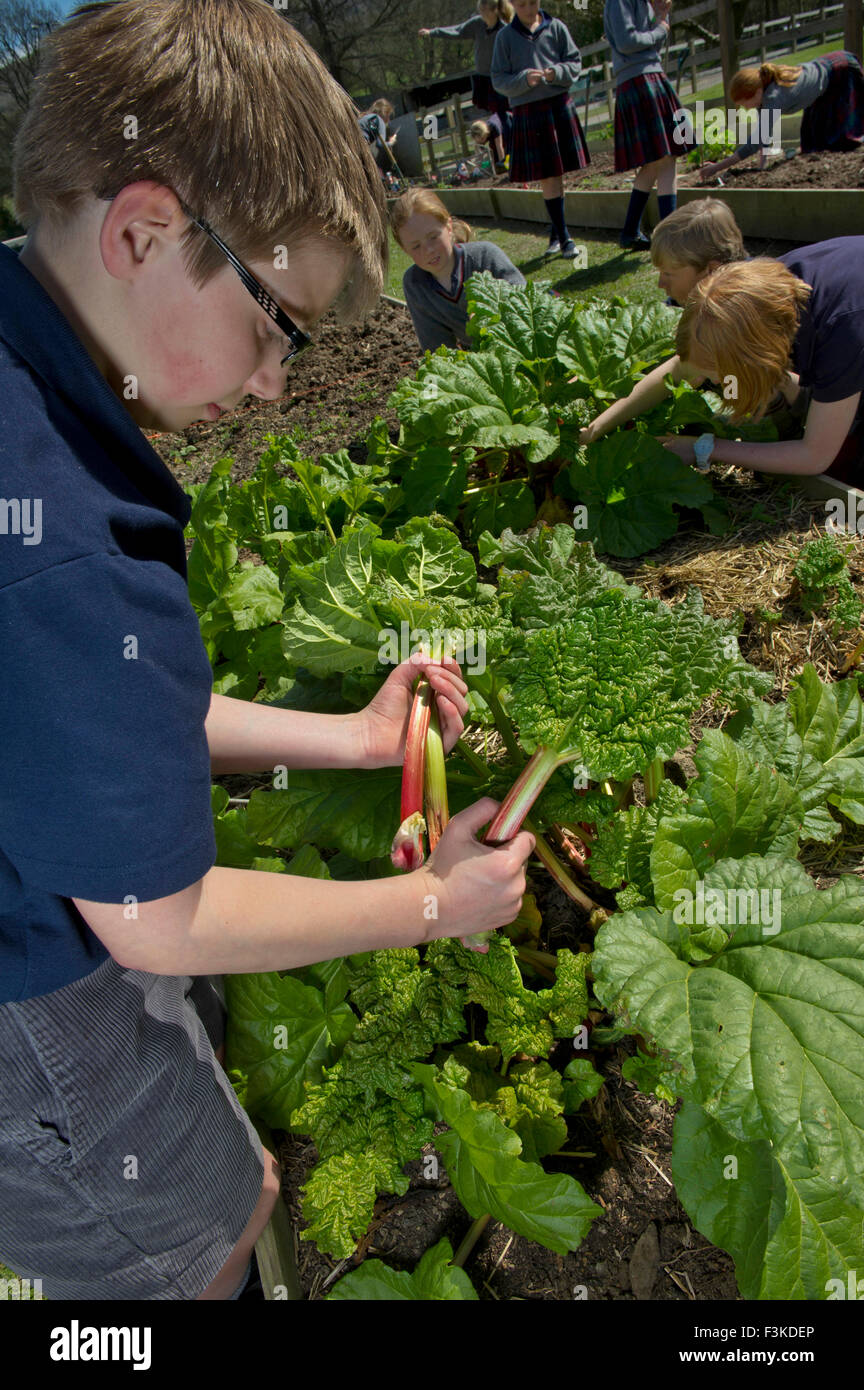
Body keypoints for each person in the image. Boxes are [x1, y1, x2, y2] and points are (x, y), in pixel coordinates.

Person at [0, 0, 535, 1303]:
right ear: (142, 232)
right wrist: (431, 905)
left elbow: (91, 714)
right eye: (279, 323)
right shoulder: (67, 527)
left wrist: (348, 739)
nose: (276, 384)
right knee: (211, 1235)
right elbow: (156, 920)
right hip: (34, 1021)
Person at [579, 238, 864, 481]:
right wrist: (597, 428)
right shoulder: (761, 291)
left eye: (718, 374)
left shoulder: (843, 333)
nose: (714, 382)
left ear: (753, 358)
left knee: (844, 465)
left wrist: (705, 447)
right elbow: (681, 368)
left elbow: (814, 456)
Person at [491, 0, 588, 260]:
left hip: (558, 105)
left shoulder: (556, 27)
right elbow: (499, 79)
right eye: (521, 4)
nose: (528, 9)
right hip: (529, 111)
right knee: (548, 175)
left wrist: (556, 73)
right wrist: (524, 80)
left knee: (556, 174)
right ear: (512, 4)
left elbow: (575, 62)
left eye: (532, 2)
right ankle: (565, 238)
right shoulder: (505, 37)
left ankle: (557, 234)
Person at [604, 0, 696, 250]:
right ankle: (670, 239)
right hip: (640, 80)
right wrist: (661, 29)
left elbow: (650, 42)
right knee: (665, 159)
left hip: (648, 76)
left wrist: (659, 17)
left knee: (658, 161)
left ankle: (631, 232)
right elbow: (627, 41)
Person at [393, 187, 525, 352]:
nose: (428, 250)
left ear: (448, 227)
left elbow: (524, 301)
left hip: (519, 343)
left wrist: (488, 313)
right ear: (405, 250)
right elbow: (437, 348)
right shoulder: (415, 285)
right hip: (481, 357)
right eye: (416, 246)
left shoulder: (485, 257)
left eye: (433, 237)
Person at [701, 51, 864, 181]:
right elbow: (764, 138)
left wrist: (716, 167)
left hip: (841, 70)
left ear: (757, 93)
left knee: (842, 137)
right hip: (827, 71)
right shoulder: (763, 96)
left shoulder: (773, 97)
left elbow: (755, 142)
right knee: (813, 142)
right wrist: (761, 166)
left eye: (744, 103)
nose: (744, 108)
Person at [420, 0, 514, 122]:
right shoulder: (477, 24)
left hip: (500, 78)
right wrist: (432, 32)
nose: (483, 14)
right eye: (481, 11)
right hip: (483, 79)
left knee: (504, 114)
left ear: (495, 10)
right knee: (488, 115)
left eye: (485, 11)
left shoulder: (504, 29)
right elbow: (457, 31)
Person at [358, 96, 399, 178]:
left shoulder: (367, 118)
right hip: (360, 148)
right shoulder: (379, 120)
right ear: (385, 113)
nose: (389, 120)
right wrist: (391, 142)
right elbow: (380, 144)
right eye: (389, 116)